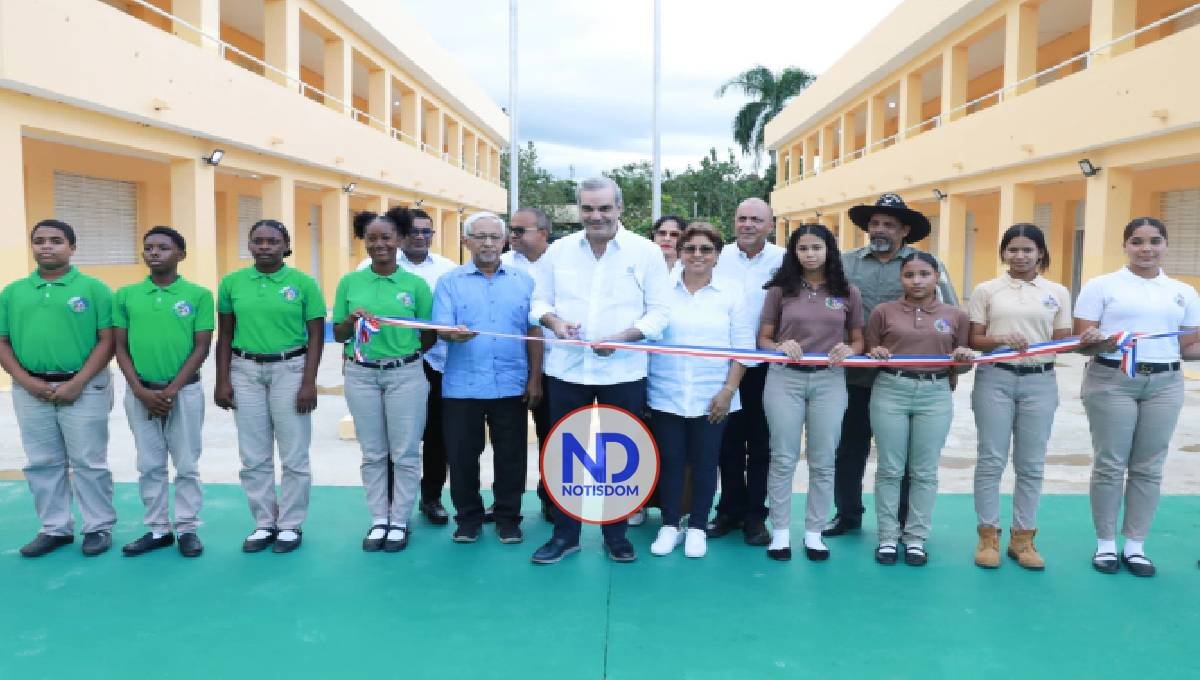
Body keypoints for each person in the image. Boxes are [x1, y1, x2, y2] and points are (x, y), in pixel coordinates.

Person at [528, 177, 670, 565]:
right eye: (588, 208)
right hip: (567, 371)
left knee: (621, 457)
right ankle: (565, 535)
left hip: (623, 372)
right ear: (579, 210)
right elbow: (538, 301)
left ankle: (616, 535)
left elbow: (660, 312)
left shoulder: (645, 253)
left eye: (604, 208)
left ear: (620, 208)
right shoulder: (558, 251)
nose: (596, 216)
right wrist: (554, 322)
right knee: (563, 455)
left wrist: (626, 336)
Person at [825, 193, 959, 538]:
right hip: (855, 375)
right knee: (850, 450)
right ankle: (848, 514)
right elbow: (830, 310)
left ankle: (902, 520)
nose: (879, 230)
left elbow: (953, 317)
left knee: (906, 458)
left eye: (888, 224)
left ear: (904, 230)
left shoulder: (925, 266)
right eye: (875, 224)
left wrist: (950, 367)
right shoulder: (845, 264)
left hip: (907, 378)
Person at [1074, 217, 1200, 577]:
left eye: (1155, 241)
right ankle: (1106, 545)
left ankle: (1135, 545)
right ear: (1125, 245)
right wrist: (1100, 342)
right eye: (1138, 241)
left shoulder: (1183, 292)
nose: (1147, 248)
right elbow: (1082, 344)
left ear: (1165, 244)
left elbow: (1187, 347)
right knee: (1111, 463)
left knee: (1149, 466)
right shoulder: (1102, 286)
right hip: (1112, 380)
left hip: (1164, 384)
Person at [0, 219, 117, 557]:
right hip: (30, 388)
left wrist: (77, 382)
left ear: (72, 247)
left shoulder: (95, 289)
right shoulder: (13, 292)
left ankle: (98, 527)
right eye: (39, 241)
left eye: (55, 240)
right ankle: (55, 528)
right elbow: (3, 342)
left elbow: (106, 341)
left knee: (88, 461)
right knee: (42, 461)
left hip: (84, 386)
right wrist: (27, 381)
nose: (46, 246)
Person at [215, 219, 324, 554]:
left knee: (294, 455)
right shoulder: (232, 282)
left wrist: (309, 381)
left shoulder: (303, 283)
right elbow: (226, 335)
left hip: (290, 369)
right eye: (258, 241)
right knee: (253, 455)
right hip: (245, 370)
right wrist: (222, 379)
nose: (264, 247)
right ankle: (264, 523)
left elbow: (317, 335)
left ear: (285, 246)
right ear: (249, 245)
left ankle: (290, 525)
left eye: (272, 241)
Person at [967, 224, 1072, 570]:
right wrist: (1001, 339)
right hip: (995, 379)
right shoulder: (986, 290)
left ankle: (1023, 538)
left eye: (1028, 250)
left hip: (1040, 381)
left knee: (1031, 464)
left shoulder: (1057, 291)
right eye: (1012, 249)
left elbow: (1063, 339)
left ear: (1040, 252)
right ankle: (988, 536)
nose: (1020, 256)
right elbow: (974, 340)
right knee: (991, 459)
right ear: (1003, 253)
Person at [647, 223, 754, 559]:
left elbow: (743, 349)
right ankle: (669, 525)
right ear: (679, 253)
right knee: (671, 461)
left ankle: (696, 528)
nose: (697, 255)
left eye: (706, 249)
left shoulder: (733, 293)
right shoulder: (660, 289)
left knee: (707, 463)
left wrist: (728, 390)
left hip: (714, 395)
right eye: (690, 248)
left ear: (717, 255)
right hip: (666, 392)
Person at [435, 212, 542, 545]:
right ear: (466, 241)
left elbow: (533, 331)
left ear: (505, 241)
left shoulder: (524, 281)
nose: (488, 244)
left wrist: (534, 379)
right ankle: (468, 519)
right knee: (463, 456)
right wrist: (453, 335)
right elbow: (441, 328)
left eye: (495, 237)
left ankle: (508, 518)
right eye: (480, 237)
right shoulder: (449, 282)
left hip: (510, 384)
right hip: (462, 385)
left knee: (511, 456)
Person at [760, 225, 864, 562]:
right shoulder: (780, 290)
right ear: (794, 253)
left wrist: (850, 350)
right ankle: (779, 532)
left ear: (829, 250)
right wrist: (779, 346)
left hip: (829, 381)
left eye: (816, 247)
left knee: (823, 459)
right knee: (783, 457)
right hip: (784, 380)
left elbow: (858, 340)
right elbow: (763, 340)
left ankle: (814, 533)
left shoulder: (848, 291)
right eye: (802, 248)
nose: (810, 254)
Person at [334, 208, 435, 552]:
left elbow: (428, 335)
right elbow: (338, 333)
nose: (379, 244)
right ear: (363, 241)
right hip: (361, 375)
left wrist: (401, 354)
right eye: (372, 238)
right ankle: (379, 518)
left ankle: (400, 520)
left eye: (387, 237)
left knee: (405, 453)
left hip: (405, 374)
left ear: (401, 240)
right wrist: (351, 320)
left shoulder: (415, 285)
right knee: (373, 453)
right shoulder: (350, 282)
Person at [865, 252, 972, 567]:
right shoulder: (883, 312)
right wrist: (877, 352)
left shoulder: (956, 315)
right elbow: (871, 350)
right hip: (891, 390)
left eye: (924, 274)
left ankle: (915, 538)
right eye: (910, 275)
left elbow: (960, 366)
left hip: (935, 393)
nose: (917, 281)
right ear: (901, 279)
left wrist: (963, 358)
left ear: (936, 276)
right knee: (890, 468)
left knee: (924, 471)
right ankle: (887, 536)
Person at [113, 227, 213, 558]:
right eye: (149, 247)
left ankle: (186, 528)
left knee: (186, 464)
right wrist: (139, 390)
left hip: (183, 391)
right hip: (141, 392)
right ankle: (157, 529)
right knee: (149, 464)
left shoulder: (198, 295)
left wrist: (171, 389)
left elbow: (201, 347)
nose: (154, 253)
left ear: (181, 254)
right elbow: (120, 346)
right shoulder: (126, 295)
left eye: (163, 247)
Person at [709, 198, 785, 546]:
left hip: (768, 368)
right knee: (727, 444)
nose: (748, 225)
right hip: (725, 366)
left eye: (756, 219)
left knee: (761, 445)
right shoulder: (717, 256)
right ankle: (729, 510)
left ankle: (756, 515)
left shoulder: (785, 261)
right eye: (742, 218)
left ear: (770, 225)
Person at [501, 206, 555, 523]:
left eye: (520, 231)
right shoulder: (503, 263)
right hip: (508, 365)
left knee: (552, 438)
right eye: (512, 230)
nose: (513, 236)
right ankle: (508, 504)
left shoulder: (560, 264)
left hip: (554, 369)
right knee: (510, 441)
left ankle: (552, 499)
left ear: (543, 233)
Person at [637, 213, 689, 527]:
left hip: (679, 373)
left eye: (674, 234)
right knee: (642, 440)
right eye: (661, 233)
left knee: (678, 449)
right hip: (640, 369)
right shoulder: (638, 269)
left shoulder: (694, 274)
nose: (667, 239)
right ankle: (636, 503)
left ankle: (678, 509)